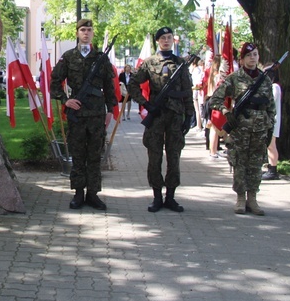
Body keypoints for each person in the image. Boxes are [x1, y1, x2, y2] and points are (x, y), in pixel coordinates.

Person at [50, 19, 117, 211]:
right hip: (77, 114)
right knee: (78, 154)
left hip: (97, 114)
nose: (86, 33)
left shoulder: (101, 58)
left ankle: (93, 194)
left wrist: (110, 110)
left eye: (89, 30)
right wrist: (65, 100)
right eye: (82, 30)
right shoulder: (68, 57)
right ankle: (78, 193)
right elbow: (54, 83)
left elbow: (109, 87)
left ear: (93, 33)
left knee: (95, 154)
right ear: (77, 33)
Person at [128, 27, 194, 213]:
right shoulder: (149, 63)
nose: (166, 40)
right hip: (156, 117)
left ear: (173, 40)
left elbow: (187, 91)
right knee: (154, 157)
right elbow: (133, 83)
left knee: (174, 157)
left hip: (175, 117)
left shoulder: (180, 63)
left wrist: (189, 115)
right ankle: (157, 197)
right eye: (163, 38)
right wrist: (145, 104)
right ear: (158, 41)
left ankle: (170, 197)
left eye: (169, 37)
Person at [209, 43, 275, 215]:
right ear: (242, 59)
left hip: (260, 129)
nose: (252, 58)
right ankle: (240, 198)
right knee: (239, 163)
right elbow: (215, 99)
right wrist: (225, 111)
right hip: (240, 129)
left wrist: (270, 128)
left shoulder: (265, 79)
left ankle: (252, 198)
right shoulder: (234, 78)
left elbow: (271, 107)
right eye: (249, 55)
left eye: (255, 54)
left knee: (255, 164)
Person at [262, 65, 281, 180]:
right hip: (269, 119)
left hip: (273, 120)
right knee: (269, 145)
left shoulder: (274, 87)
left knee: (271, 145)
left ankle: (273, 170)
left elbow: (270, 101)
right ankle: (270, 167)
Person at [190, 56, 205, 132]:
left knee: (198, 109)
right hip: (196, 90)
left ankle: (199, 126)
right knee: (198, 109)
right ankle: (199, 125)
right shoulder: (198, 70)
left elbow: (196, 82)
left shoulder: (197, 70)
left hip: (197, 89)